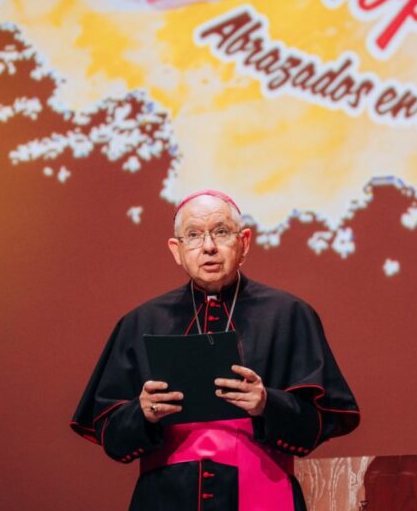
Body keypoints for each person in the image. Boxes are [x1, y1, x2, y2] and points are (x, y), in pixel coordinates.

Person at [70, 190, 360, 511]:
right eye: (193, 235)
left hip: (262, 488)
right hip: (166, 499)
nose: (208, 246)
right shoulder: (140, 321)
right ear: (177, 250)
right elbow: (111, 437)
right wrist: (142, 413)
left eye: (221, 232)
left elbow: (318, 423)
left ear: (244, 242)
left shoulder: (289, 314)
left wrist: (267, 404)